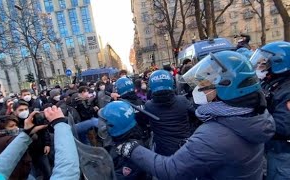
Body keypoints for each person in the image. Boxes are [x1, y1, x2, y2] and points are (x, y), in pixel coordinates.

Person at [116, 51, 275, 180]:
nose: (200, 90)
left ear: (227, 89)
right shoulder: (257, 114)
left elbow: (171, 170)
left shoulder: (213, 135)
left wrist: (133, 149)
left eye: (206, 85)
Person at [0, 106, 80, 180]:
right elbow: (68, 172)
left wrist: (27, 133)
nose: (15, 128)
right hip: (22, 172)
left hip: (25, 172)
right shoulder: (4, 140)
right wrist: (60, 124)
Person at [250, 41, 290, 179]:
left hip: (283, 154)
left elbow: (284, 126)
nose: (261, 66)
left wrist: (255, 120)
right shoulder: (273, 82)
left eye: (265, 63)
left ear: (279, 63)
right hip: (271, 148)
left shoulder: (287, 90)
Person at [145, 70, 196, 156]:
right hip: (185, 148)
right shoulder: (182, 100)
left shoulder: (148, 106)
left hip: (163, 151)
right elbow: (195, 115)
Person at [98, 101, 148, 179]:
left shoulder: (131, 153)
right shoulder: (123, 137)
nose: (103, 125)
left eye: (105, 122)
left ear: (115, 125)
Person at [0, 115, 32, 180]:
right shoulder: (6, 140)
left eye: (16, 125)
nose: (16, 128)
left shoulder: (3, 137)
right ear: (2, 129)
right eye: (11, 126)